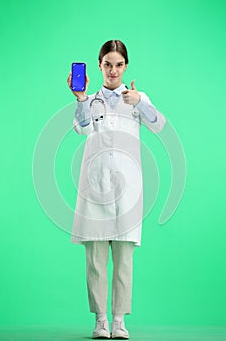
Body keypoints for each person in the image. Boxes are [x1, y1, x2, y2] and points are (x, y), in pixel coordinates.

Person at [67, 39, 166, 339]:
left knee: (124, 259)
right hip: (94, 185)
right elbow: (81, 128)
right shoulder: (90, 100)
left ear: (126, 67)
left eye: (118, 64)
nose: (113, 70)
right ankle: (100, 321)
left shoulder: (136, 98)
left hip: (127, 188)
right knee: (95, 259)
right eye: (107, 64)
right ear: (99, 65)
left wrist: (141, 103)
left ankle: (120, 320)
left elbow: (158, 125)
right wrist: (80, 98)